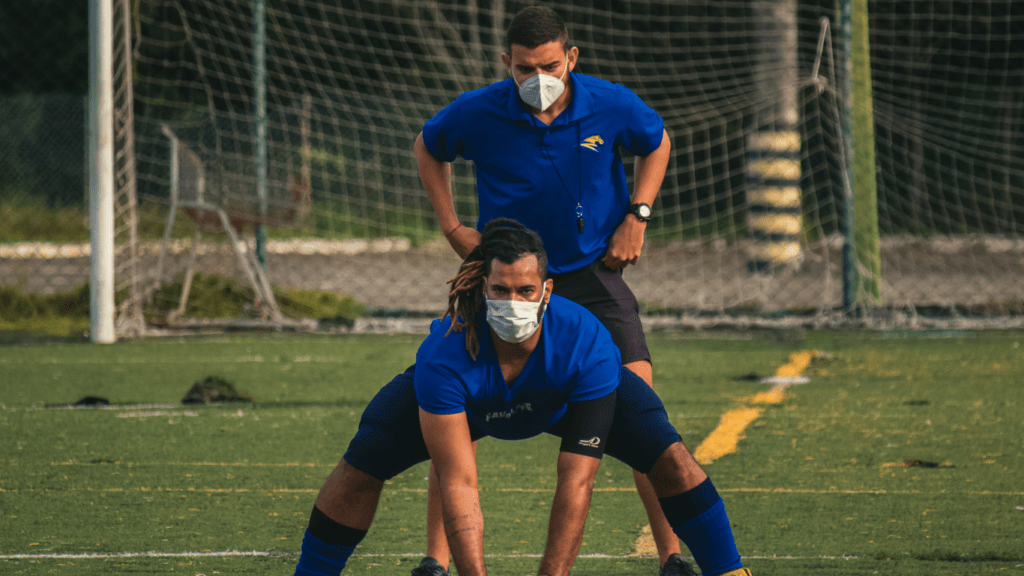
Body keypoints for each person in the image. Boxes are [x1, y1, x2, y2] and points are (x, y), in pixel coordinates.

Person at [293, 220, 750, 576]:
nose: (514, 301)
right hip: (473, 401)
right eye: (501, 291)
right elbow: (458, 482)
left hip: (566, 396)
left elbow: (576, 481)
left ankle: (729, 569)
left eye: (526, 290)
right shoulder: (445, 352)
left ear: (547, 291)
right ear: (481, 288)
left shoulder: (584, 342)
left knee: (670, 456)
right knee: (361, 462)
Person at [413, 6, 680, 575]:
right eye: (526, 67)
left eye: (551, 65)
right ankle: (435, 561)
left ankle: (673, 555)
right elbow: (428, 146)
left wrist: (638, 213)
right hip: (504, 281)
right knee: (460, 411)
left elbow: (656, 142)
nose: (540, 78)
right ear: (506, 62)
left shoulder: (610, 102)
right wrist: (452, 226)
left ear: (572, 58)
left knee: (644, 410)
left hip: (592, 274)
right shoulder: (477, 111)